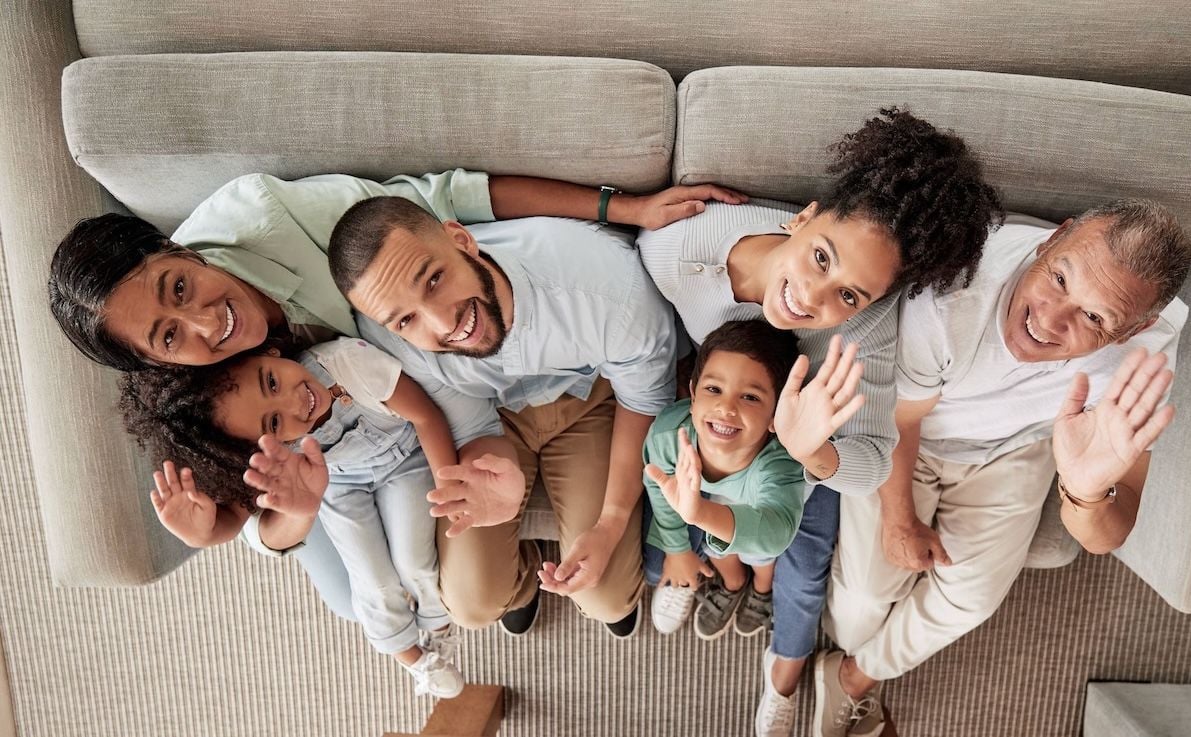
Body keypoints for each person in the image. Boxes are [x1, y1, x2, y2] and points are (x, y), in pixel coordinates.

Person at [47, 168, 743, 619]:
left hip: (430, 401)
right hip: (336, 460)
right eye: (170, 336)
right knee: (363, 601)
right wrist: (225, 531)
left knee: (586, 589)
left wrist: (622, 205)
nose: (208, 323)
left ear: (178, 250)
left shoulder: (262, 215)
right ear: (155, 362)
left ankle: (520, 571)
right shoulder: (197, 386)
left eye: (179, 286)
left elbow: (441, 203)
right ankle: (515, 582)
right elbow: (258, 508)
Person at [634, 108, 1002, 737]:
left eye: (851, 294)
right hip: (718, 428)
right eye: (821, 258)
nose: (814, 298)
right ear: (802, 219)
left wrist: (813, 451)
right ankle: (715, 574)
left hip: (792, 463)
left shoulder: (863, 331)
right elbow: (642, 262)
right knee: (668, 539)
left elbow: (872, 464)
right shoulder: (678, 249)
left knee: (802, 571)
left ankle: (785, 673)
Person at [816, 201, 1191, 737]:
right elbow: (901, 416)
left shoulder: (1150, 351)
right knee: (861, 606)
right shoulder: (957, 282)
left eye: (1094, 318)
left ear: (1137, 327)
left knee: (970, 599)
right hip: (908, 432)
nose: (1049, 320)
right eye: (1059, 279)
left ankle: (853, 678)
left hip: (1017, 447)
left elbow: (1110, 532)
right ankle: (852, 651)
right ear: (1051, 240)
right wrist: (900, 521)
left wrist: (1086, 492)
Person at [326, 197, 682, 638]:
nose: (443, 324)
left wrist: (610, 523)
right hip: (497, 419)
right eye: (406, 320)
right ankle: (523, 584)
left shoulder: (608, 289)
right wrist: (501, 479)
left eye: (435, 279)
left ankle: (600, 585)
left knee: (607, 600)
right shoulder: (389, 337)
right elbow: (474, 426)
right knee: (472, 606)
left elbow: (645, 400)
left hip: (596, 400)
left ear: (461, 241)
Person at [118, 336, 511, 698]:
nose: (294, 403)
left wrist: (447, 488)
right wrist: (204, 533)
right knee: (372, 581)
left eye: (271, 382)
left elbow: (424, 416)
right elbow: (240, 519)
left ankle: (437, 628)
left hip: (402, 461)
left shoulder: (346, 363)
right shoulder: (271, 451)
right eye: (274, 424)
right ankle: (413, 659)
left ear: (268, 354)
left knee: (415, 561)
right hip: (340, 485)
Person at [643, 320, 823, 640]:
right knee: (701, 554)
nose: (726, 407)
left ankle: (762, 588)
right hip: (713, 502)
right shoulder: (669, 435)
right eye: (714, 389)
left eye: (750, 397)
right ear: (694, 393)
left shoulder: (781, 464)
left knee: (760, 555)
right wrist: (677, 546)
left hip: (766, 506)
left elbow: (775, 532)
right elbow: (662, 491)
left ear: (776, 416)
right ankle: (733, 583)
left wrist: (697, 514)